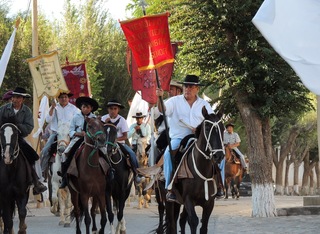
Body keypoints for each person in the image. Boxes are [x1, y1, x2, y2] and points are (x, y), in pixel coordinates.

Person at [156, 74, 224, 202]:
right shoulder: (174, 101)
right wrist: (159, 98)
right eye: (186, 86)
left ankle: (220, 185)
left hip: (199, 138)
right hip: (179, 137)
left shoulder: (204, 104)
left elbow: (212, 120)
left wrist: (199, 129)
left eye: (191, 87)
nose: (188, 89)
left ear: (197, 89)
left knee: (217, 153)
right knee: (167, 154)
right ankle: (169, 187)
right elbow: (162, 109)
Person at [0, 87, 47, 195]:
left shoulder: (27, 111)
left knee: (33, 155)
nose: (15, 99)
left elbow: (29, 127)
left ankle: (36, 181)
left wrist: (17, 126)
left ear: (23, 99)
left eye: (18, 97)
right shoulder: (3, 109)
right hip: (4, 137)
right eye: (14, 97)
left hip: (19, 138)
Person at [101, 99, 145, 184]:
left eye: (115, 109)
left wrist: (116, 139)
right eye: (111, 109)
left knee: (131, 154)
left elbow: (125, 136)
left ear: (118, 110)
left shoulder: (122, 120)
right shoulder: (103, 118)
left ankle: (137, 174)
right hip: (105, 143)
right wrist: (103, 124)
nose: (113, 111)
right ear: (108, 109)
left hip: (119, 143)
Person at [59, 96, 99, 188]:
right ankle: (64, 176)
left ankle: (108, 173)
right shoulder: (75, 117)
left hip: (91, 140)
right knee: (65, 154)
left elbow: (97, 131)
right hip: (78, 139)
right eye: (84, 107)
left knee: (104, 152)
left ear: (91, 108)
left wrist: (90, 134)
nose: (85, 109)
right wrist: (79, 133)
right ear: (81, 107)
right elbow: (71, 131)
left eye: (88, 107)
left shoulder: (94, 118)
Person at [40, 92, 79, 175]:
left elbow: (78, 120)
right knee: (45, 151)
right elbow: (47, 120)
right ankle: (42, 173)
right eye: (61, 97)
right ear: (58, 98)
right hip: (56, 133)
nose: (64, 99)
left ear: (68, 98)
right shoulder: (54, 107)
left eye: (65, 97)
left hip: (70, 133)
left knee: (81, 149)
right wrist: (52, 109)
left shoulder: (74, 109)